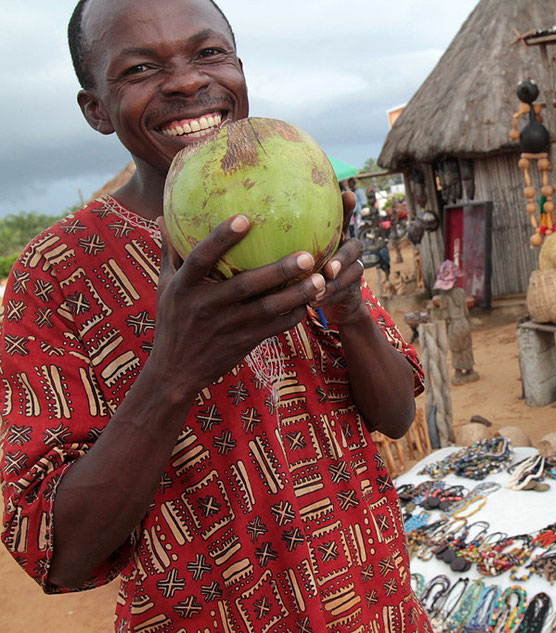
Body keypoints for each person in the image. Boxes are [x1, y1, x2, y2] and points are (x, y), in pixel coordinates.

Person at [0, 2, 430, 632]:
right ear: (95, 109)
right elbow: (61, 554)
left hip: (376, 603)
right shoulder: (56, 273)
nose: (184, 81)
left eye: (208, 53)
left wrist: (350, 312)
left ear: (238, 68)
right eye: (141, 68)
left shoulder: (293, 206)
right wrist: (173, 371)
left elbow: (395, 417)